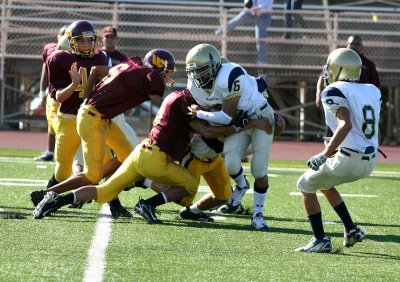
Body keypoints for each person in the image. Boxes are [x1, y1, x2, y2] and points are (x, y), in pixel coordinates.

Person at [32, 89, 272, 221]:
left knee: (104, 192)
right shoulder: (187, 102)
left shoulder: (174, 97)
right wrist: (243, 124)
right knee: (188, 188)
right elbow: (206, 129)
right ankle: (147, 203)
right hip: (157, 158)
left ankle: (56, 199)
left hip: (141, 151)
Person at [29, 49, 175, 218]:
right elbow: (166, 106)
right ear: (159, 67)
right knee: (92, 175)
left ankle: (111, 186)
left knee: (128, 155)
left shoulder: (133, 63)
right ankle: (46, 193)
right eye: (167, 71)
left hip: (101, 116)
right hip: (93, 118)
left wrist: (86, 96)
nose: (167, 75)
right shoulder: (151, 76)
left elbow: (96, 70)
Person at [185, 43, 281, 231]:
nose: (198, 76)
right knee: (230, 161)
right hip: (241, 122)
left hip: (260, 117)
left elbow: (225, 117)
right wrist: (204, 112)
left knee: (259, 169)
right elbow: (218, 112)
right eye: (194, 71)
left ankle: (258, 216)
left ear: (214, 65)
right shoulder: (194, 85)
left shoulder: (230, 74)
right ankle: (242, 185)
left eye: (202, 70)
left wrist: (199, 114)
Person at [295, 48, 381, 253]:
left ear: (339, 69)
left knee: (304, 185)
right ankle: (351, 229)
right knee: (324, 183)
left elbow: (346, 125)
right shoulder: (372, 90)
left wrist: (324, 155)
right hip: (370, 160)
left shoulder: (333, 90)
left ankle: (320, 240)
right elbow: (362, 126)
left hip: (350, 158)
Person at [315, 35, 380, 109]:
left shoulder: (368, 64)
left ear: (362, 47)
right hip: (339, 98)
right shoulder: (338, 58)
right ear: (347, 45)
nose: (354, 46)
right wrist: (318, 95)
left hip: (359, 102)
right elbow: (323, 76)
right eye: (352, 44)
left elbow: (375, 86)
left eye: (357, 44)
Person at [33, 25, 68, 161]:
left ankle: (63, 153)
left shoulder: (77, 52)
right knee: (52, 122)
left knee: (64, 123)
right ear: (58, 37)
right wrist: (42, 92)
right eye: (62, 36)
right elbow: (45, 70)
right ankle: (50, 152)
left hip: (69, 93)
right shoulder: (50, 49)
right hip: (54, 94)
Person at [215, 0, 274, 65]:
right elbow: (247, 2)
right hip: (250, 9)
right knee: (237, 20)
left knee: (260, 40)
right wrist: (250, 6)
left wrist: (259, 8)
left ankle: (261, 64)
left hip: (264, 13)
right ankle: (221, 31)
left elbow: (267, 4)